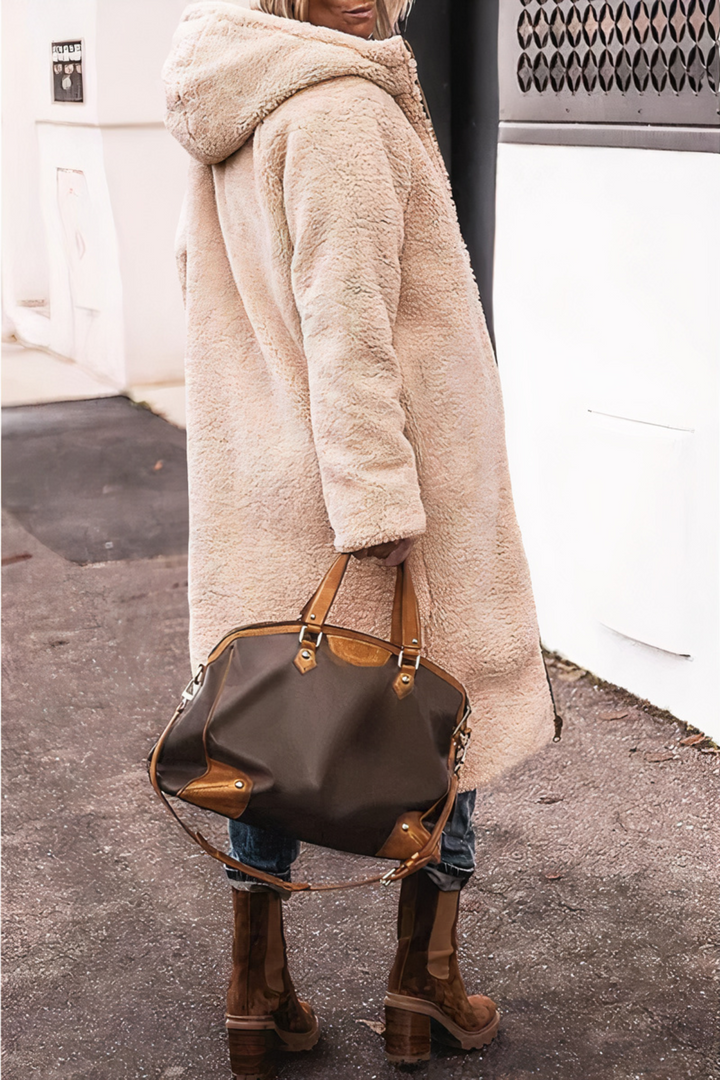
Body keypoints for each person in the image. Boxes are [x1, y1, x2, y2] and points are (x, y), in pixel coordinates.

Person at [163, 0, 557, 1074]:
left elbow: (207, 292)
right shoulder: (337, 106)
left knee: (265, 736)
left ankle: (259, 990)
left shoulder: (242, 96)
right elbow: (348, 327)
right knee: (441, 719)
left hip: (267, 481)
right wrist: (382, 509)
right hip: (378, 486)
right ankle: (422, 986)